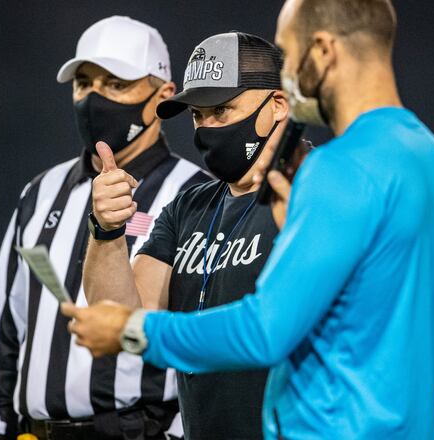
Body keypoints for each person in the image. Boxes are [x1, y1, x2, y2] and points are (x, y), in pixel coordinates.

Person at [63, 0, 434, 438]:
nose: (289, 70)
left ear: (321, 51)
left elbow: (266, 330)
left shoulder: (337, 169)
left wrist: (135, 330)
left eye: (289, 49)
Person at [0, 16, 208, 440]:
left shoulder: (196, 194)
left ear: (164, 95)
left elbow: (207, 338)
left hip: (140, 429)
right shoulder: (42, 191)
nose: (94, 98)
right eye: (84, 83)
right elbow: (5, 330)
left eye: (116, 83)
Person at [76, 32, 290, 439]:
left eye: (221, 110)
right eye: (197, 114)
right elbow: (125, 316)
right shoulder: (188, 207)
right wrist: (106, 229)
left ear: (277, 106)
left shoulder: (312, 193)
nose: (207, 128)